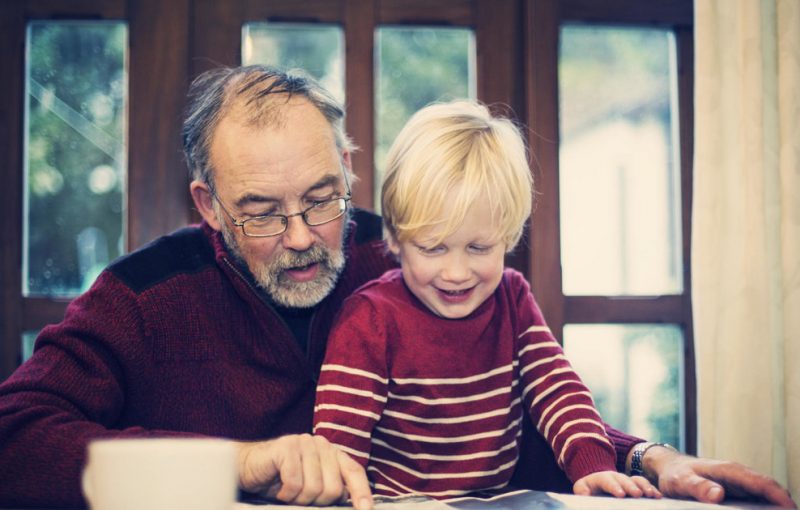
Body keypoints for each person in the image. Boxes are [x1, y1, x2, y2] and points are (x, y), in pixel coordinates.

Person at [0, 65, 794, 509]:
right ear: (207, 204)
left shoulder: (411, 254)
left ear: (348, 165)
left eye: (320, 196)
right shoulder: (143, 295)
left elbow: (501, 407)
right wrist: (234, 465)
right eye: (263, 214)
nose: (306, 235)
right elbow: (16, 443)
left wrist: (645, 457)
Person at [312, 100, 663, 500]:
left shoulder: (512, 298)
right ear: (395, 239)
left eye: (479, 248)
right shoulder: (369, 318)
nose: (457, 272)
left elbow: (557, 388)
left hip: (499, 500)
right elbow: (339, 448)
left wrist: (593, 465)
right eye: (433, 248)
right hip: (398, 503)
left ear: (508, 237)